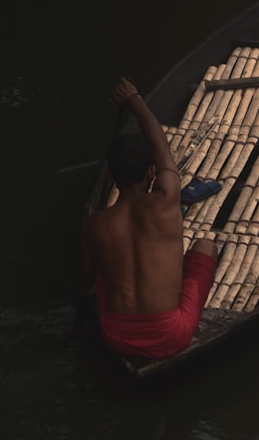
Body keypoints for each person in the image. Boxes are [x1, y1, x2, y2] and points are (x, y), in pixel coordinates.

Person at [80, 77, 218, 359]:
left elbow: (86, 283)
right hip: (170, 336)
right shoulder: (166, 200)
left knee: (104, 270)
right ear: (151, 174)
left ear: (111, 176)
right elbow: (161, 145)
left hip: (116, 335)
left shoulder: (94, 226)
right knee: (205, 246)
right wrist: (134, 99)